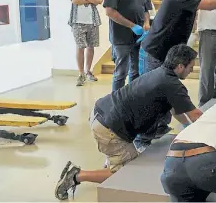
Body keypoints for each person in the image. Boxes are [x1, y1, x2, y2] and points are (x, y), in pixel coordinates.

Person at [54, 44, 203, 201]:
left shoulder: (161, 73)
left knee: (126, 157)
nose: (192, 70)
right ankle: (77, 176)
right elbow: (196, 115)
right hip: (109, 128)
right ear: (180, 66)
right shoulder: (173, 85)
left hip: (101, 112)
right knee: (127, 173)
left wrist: (187, 127)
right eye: (190, 67)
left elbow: (176, 109)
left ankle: (112, 159)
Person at [103, 0, 152, 91]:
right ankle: (116, 102)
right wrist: (132, 25)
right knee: (121, 72)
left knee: (135, 71)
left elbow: (146, 9)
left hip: (138, 38)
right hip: (121, 38)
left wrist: (146, 23)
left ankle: (131, 99)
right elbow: (110, 11)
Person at [68, 0, 103, 86]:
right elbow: (74, 0)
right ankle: (81, 73)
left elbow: (99, 0)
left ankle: (89, 71)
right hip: (77, 21)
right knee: (80, 46)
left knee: (91, 46)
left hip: (92, 21)